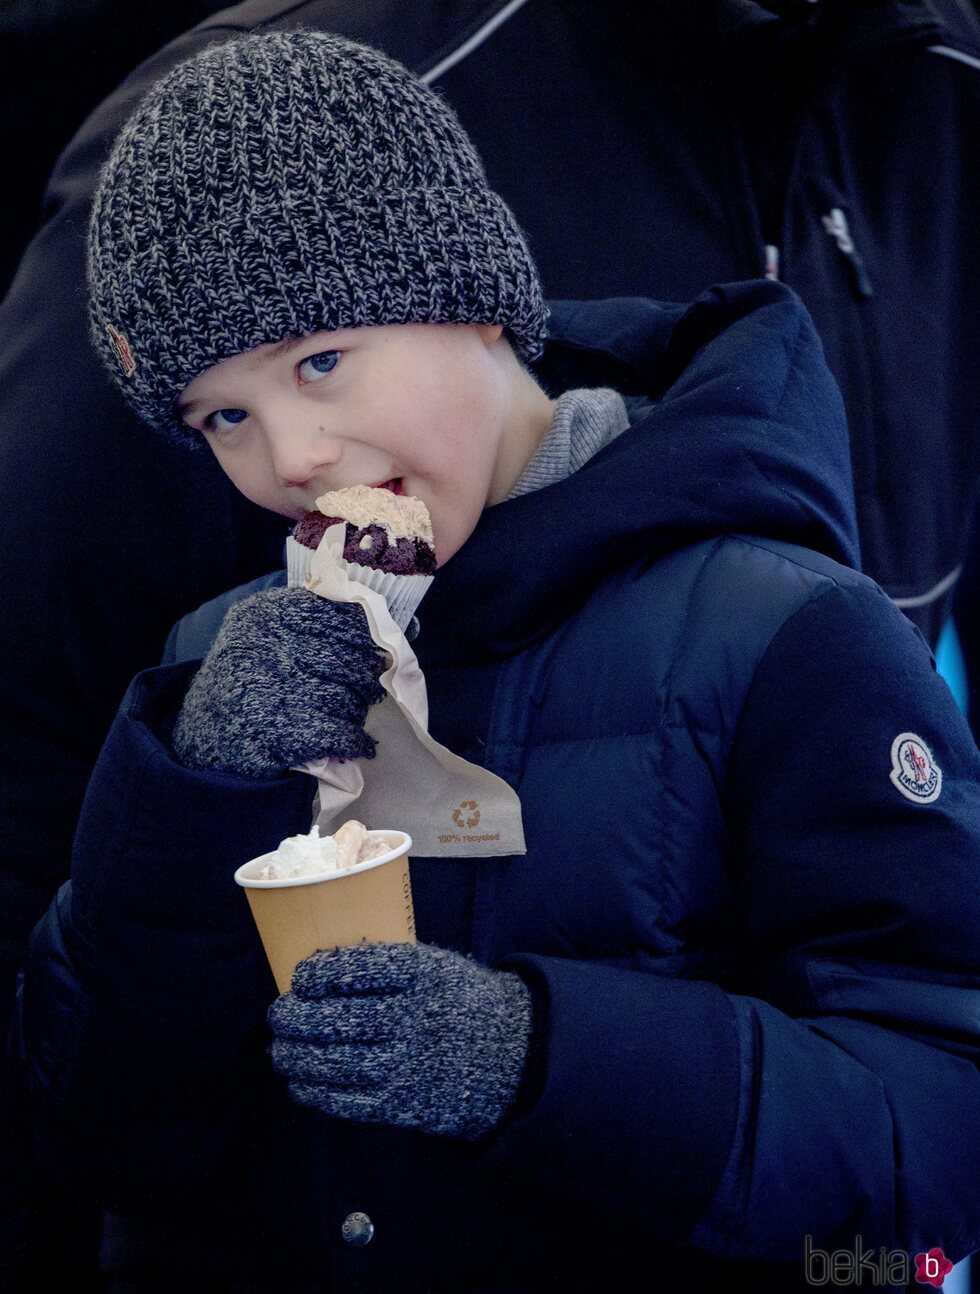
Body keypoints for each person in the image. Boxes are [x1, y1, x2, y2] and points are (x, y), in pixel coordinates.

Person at [13, 29, 980, 1294]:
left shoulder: (780, 636)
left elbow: (934, 1139)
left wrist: (532, 1055)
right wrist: (190, 792)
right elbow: (104, 1132)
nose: (291, 455)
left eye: (319, 360)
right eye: (224, 417)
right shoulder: (217, 657)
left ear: (471, 299)